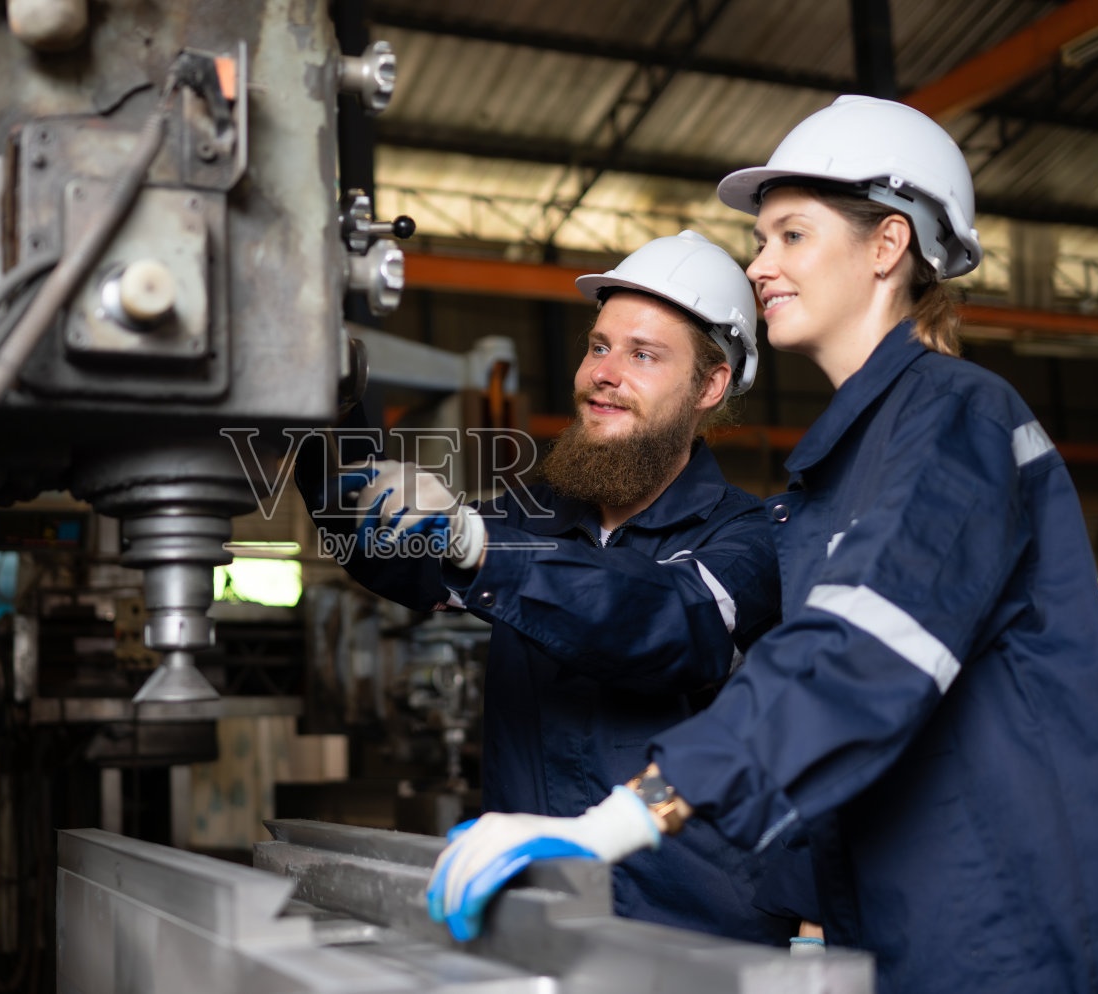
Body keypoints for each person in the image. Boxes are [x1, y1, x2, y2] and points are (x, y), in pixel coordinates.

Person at [425, 95, 1098, 994]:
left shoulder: (958, 417)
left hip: (998, 941)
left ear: (888, 246)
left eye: (790, 236)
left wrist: (614, 824)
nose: (760, 266)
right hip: (898, 932)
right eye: (761, 240)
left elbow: (850, 663)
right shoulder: (838, 473)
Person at [297, 231, 806, 944]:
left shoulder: (751, 539)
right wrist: (330, 393)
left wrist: (477, 543)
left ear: (709, 387)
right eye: (599, 346)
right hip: (539, 926)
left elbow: (664, 623)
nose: (605, 372)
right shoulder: (534, 515)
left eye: (644, 354)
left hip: (696, 943)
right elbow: (378, 548)